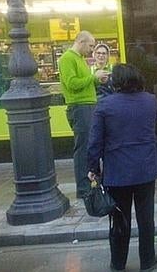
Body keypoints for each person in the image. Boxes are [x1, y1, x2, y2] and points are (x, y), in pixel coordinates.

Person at [87, 64, 157, 271]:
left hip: (118, 171)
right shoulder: (150, 100)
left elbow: (94, 141)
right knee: (146, 217)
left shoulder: (105, 105)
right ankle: (148, 261)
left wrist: (93, 168)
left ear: (116, 82)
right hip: (145, 167)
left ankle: (118, 263)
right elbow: (156, 122)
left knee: (119, 218)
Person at [58, 30, 109, 199]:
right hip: (79, 107)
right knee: (83, 148)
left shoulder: (80, 59)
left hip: (87, 106)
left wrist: (96, 79)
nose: (91, 49)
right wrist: (93, 78)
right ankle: (83, 188)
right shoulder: (67, 59)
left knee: (90, 145)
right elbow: (72, 83)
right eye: (91, 45)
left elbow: (83, 83)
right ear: (81, 41)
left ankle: (92, 182)